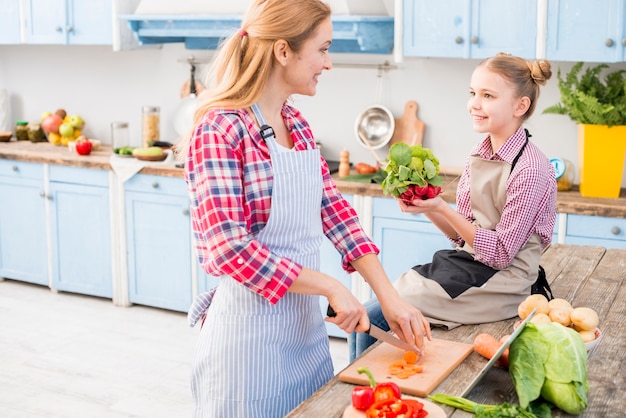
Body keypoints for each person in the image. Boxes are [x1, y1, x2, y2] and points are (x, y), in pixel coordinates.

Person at [180, 1, 430, 416]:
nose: (328, 63)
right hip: (246, 349)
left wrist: (389, 298)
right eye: (323, 49)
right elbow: (229, 250)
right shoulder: (219, 129)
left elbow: (335, 212)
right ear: (283, 51)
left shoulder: (295, 123)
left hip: (306, 337)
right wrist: (330, 286)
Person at [349, 53, 557, 361]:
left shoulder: (531, 169)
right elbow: (461, 237)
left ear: (520, 106)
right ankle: (359, 394)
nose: (474, 103)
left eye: (488, 95)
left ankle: (360, 394)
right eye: (473, 93)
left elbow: (500, 254)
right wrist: (429, 207)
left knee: (374, 316)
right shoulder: (480, 151)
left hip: (507, 281)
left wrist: (442, 209)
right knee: (370, 314)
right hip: (472, 264)